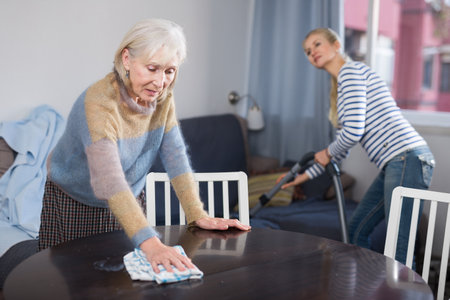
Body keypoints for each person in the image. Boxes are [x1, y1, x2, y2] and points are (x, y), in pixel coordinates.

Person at [38, 18, 251, 273]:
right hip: (76, 200)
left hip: (129, 199)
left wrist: (197, 213)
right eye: (152, 68)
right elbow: (109, 180)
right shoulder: (98, 103)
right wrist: (151, 243)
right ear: (127, 60)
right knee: (74, 280)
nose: (160, 82)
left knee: (124, 281)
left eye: (170, 71)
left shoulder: (162, 98)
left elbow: (175, 156)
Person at [278, 27, 435, 264]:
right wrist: (303, 176)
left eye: (317, 44)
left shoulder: (350, 73)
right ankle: (367, 286)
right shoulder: (342, 86)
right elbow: (342, 150)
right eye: (308, 51)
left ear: (336, 45)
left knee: (399, 245)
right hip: (397, 162)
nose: (312, 53)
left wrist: (326, 152)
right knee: (356, 229)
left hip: (406, 158)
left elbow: (352, 133)